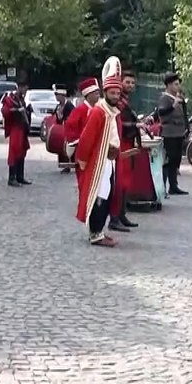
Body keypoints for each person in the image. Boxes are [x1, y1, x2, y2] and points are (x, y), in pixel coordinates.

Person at [74, 58, 125, 247]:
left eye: (117, 93)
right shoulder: (98, 111)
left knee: (108, 194)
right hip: (99, 161)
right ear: (106, 93)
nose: (115, 95)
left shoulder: (113, 111)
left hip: (110, 160)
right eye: (112, 92)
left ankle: (100, 230)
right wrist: (83, 159)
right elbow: (87, 138)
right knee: (100, 196)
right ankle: (95, 233)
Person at [111, 71, 141, 231]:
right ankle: (114, 218)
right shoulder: (118, 101)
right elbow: (117, 123)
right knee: (119, 181)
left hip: (127, 142)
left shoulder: (124, 100)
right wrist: (135, 126)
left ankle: (121, 215)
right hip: (120, 143)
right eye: (127, 82)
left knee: (125, 182)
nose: (130, 85)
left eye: (132, 83)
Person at [154, 72, 189, 195]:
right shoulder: (165, 98)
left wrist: (187, 127)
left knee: (175, 160)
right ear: (168, 85)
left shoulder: (178, 98)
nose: (178, 87)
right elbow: (161, 113)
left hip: (179, 132)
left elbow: (184, 115)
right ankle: (162, 186)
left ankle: (173, 186)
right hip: (169, 133)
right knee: (168, 160)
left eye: (178, 84)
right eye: (175, 84)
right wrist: (172, 106)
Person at [1, 79, 32, 186]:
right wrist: (16, 110)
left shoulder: (21, 99)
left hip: (22, 128)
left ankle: (20, 176)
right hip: (15, 128)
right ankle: (12, 178)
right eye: (24, 89)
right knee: (14, 151)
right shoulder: (10, 99)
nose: (25, 92)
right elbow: (5, 111)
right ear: (20, 87)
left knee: (22, 151)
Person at [50, 85, 75, 173]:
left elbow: (73, 117)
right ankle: (64, 164)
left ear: (62, 96)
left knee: (67, 148)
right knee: (61, 147)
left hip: (68, 130)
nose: (56, 97)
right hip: (61, 130)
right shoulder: (59, 106)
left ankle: (68, 165)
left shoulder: (69, 105)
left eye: (57, 96)